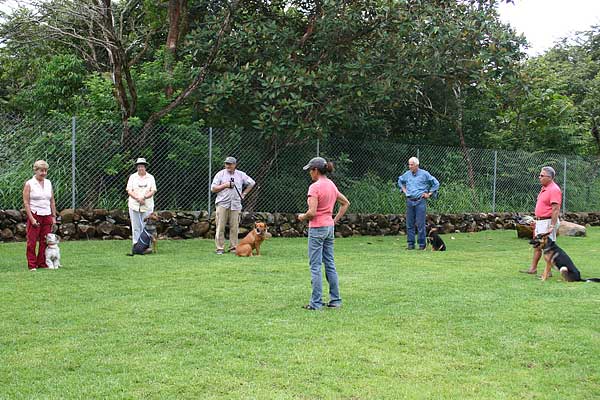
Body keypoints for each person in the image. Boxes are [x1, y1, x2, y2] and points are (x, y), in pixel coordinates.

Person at [298, 157, 350, 310]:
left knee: (315, 266)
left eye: (310, 170)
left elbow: (312, 212)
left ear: (315, 170)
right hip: (329, 228)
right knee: (330, 264)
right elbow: (346, 203)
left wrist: (302, 216)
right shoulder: (331, 185)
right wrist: (334, 220)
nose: (309, 173)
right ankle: (335, 300)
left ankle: (316, 303)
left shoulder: (314, 187)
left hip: (317, 228)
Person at [520, 166, 562, 275]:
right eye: (540, 175)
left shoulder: (554, 189)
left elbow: (556, 209)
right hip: (541, 221)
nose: (539, 177)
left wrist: (552, 225)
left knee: (547, 247)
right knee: (537, 246)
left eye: (542, 175)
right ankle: (533, 269)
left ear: (550, 177)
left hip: (548, 222)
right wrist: (537, 220)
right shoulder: (544, 188)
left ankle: (548, 272)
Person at [211, 156, 255, 255]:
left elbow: (252, 183)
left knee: (234, 227)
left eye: (230, 164)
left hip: (235, 204)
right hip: (222, 203)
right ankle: (220, 248)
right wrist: (225, 185)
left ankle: (233, 247)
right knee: (220, 226)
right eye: (226, 163)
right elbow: (213, 189)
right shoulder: (220, 174)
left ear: (235, 165)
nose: (228, 165)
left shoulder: (240, 175)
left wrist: (244, 194)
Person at [397, 157, 440, 250]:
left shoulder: (424, 174)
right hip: (409, 201)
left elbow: (436, 183)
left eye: (411, 165)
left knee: (420, 224)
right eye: (409, 164)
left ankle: (421, 245)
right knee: (409, 224)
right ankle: (410, 244)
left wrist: (429, 194)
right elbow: (400, 180)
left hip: (420, 201)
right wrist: (404, 190)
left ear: (417, 165)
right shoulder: (407, 174)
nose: (410, 166)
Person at [23, 160, 57, 271]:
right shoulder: (29, 184)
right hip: (35, 214)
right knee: (32, 241)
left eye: (45, 171)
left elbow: (52, 201)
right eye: (41, 171)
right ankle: (32, 265)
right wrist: (32, 219)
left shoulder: (48, 183)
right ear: (35, 170)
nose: (44, 173)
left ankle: (42, 263)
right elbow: (26, 203)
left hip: (47, 214)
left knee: (45, 241)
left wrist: (53, 217)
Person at [126, 158, 157, 245]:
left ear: (145, 167)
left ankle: (147, 244)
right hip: (134, 204)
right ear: (137, 167)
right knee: (136, 226)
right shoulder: (132, 177)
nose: (140, 168)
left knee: (147, 225)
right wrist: (138, 198)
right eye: (139, 166)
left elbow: (153, 190)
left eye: (142, 166)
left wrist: (143, 198)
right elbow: (129, 190)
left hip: (147, 204)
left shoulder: (151, 177)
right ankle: (136, 244)